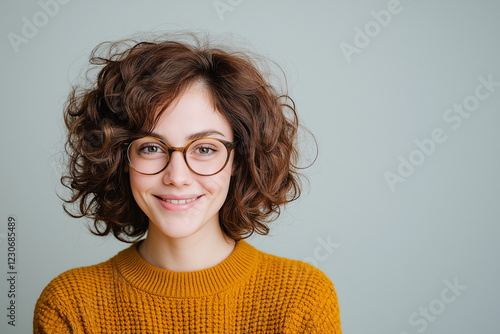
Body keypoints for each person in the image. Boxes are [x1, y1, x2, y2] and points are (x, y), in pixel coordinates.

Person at [33, 33, 341, 333]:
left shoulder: (303, 300)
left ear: (238, 160)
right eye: (151, 147)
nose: (177, 177)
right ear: (121, 159)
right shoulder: (70, 306)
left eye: (205, 149)